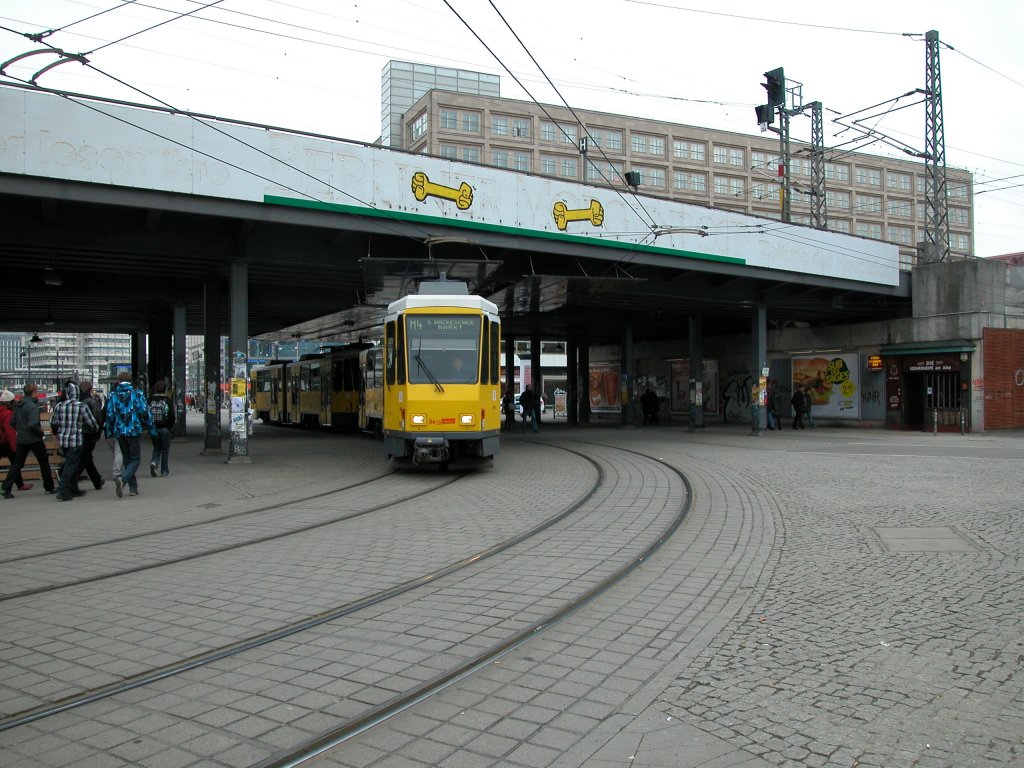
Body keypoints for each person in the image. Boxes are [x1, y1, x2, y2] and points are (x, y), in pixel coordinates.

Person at [105, 372, 157, 498]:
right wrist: (152, 428)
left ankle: (133, 488)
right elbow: (145, 411)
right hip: (133, 430)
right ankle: (123, 479)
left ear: (118, 380)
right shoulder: (137, 393)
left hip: (119, 432)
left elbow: (109, 414)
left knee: (127, 460)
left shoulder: (113, 395)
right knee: (135, 460)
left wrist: (109, 431)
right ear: (130, 381)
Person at [1, 383, 56, 498]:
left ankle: (6, 487)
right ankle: (49, 487)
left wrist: (21, 430)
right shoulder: (32, 406)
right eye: (37, 391)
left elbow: (12, 423)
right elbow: (33, 424)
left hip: (21, 439)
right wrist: (41, 434)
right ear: (34, 392)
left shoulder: (18, 406)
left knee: (17, 464)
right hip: (34, 439)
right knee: (43, 462)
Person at [50, 382, 99, 502]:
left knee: (69, 463)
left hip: (63, 440)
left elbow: (54, 422)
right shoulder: (81, 406)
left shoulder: (59, 406)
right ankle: (63, 490)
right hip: (76, 439)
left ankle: (73, 489)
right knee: (71, 466)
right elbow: (92, 423)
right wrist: (95, 430)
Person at [0, 389, 33, 494]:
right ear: (10, 402)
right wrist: (14, 447)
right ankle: (18, 485)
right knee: (16, 463)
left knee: (15, 464)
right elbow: (10, 431)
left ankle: (20, 484)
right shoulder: (8, 413)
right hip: (5, 442)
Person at [77, 380, 106, 490]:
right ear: (90, 389)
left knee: (87, 457)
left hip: (78, 433)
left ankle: (97, 480)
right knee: (85, 457)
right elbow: (98, 418)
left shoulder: (77, 401)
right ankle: (68, 477)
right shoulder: (92, 402)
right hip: (89, 433)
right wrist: (98, 432)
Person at [148, 381, 175, 477]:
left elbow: (146, 414)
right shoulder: (167, 400)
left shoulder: (150, 400)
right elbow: (172, 415)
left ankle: (154, 462)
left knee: (156, 448)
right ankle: (164, 471)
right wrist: (170, 427)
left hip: (153, 429)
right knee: (165, 450)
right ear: (165, 389)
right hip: (165, 429)